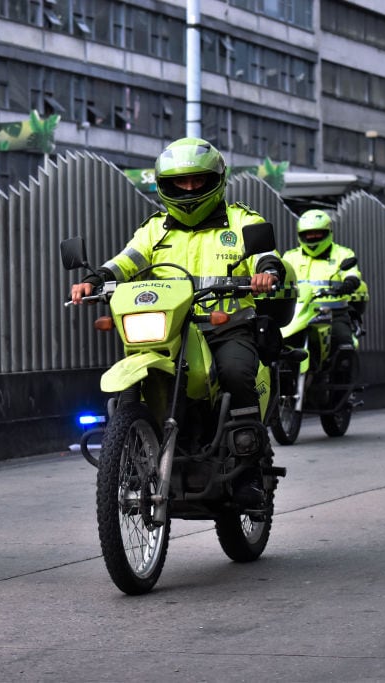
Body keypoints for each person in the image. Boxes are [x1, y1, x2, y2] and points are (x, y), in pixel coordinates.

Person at [69, 137, 283, 507]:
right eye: (179, 182)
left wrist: (266, 272)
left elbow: (267, 255)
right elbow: (125, 261)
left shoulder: (243, 220)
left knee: (234, 372)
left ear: (214, 180)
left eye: (197, 181)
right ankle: (133, 454)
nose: (188, 189)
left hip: (226, 326)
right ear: (164, 185)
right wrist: (95, 279)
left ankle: (248, 470)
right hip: (170, 330)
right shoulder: (156, 229)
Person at [281, 208, 364, 376]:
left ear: (328, 232)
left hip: (334, 313)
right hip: (300, 313)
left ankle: (343, 397)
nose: (312, 238)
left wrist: (348, 284)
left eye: (317, 234)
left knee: (344, 348)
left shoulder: (343, 254)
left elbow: (353, 274)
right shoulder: (290, 257)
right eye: (308, 235)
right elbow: (281, 278)